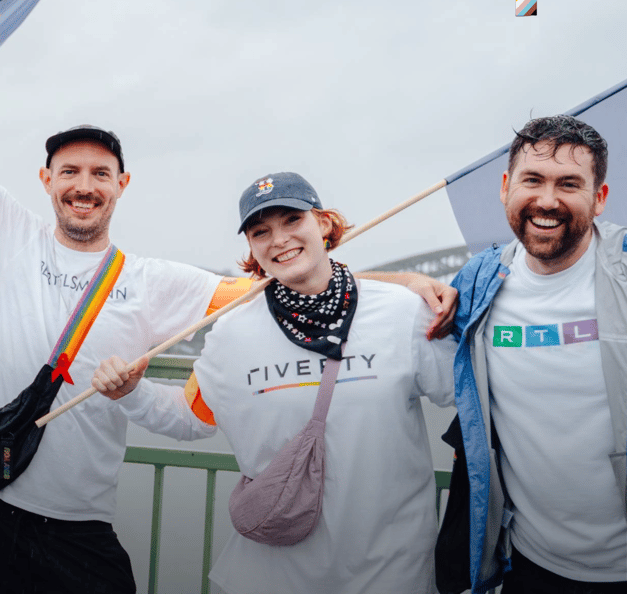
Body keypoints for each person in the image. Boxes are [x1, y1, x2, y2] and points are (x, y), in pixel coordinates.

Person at [0, 126, 457, 594]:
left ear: (123, 183)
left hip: (80, 523)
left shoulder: (152, 280)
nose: (84, 185)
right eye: (70, 171)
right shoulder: (13, 238)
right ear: (45, 178)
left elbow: (294, 278)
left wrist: (402, 282)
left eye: (101, 172)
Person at [446, 115, 627, 593]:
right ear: (506, 187)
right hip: (530, 563)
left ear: (600, 198)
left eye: (569, 183)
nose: (547, 201)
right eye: (533, 180)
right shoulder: (479, 282)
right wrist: (415, 283)